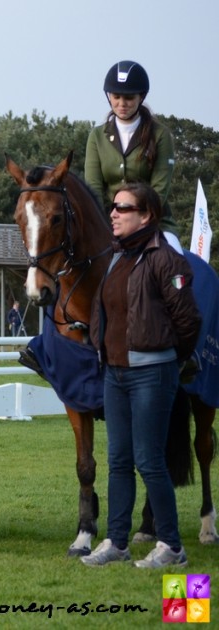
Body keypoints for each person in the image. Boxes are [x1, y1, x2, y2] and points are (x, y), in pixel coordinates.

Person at [81, 183, 200, 569]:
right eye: (112, 206)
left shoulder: (166, 259)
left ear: (146, 215)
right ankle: (117, 542)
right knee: (118, 461)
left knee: (149, 461)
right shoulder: (117, 257)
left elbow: (188, 322)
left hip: (152, 374)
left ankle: (172, 547)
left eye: (123, 208)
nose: (113, 213)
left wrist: (165, 358)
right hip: (114, 373)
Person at [85, 60, 180, 251]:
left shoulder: (160, 135)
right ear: (109, 97)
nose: (122, 104)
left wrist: (137, 218)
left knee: (174, 256)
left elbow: (159, 190)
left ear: (141, 97)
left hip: (153, 222)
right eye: (116, 97)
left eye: (128, 98)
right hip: (109, 223)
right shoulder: (96, 136)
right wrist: (110, 220)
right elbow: (93, 187)